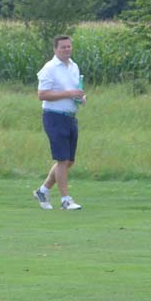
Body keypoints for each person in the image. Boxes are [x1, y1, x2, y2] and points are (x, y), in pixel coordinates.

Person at [32, 35, 85, 211]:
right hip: (54, 116)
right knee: (62, 159)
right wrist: (69, 94)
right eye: (63, 47)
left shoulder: (74, 66)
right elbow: (42, 94)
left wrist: (80, 97)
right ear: (55, 49)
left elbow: (74, 88)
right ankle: (65, 199)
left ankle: (43, 190)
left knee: (69, 161)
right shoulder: (49, 68)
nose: (67, 50)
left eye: (69, 46)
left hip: (70, 116)